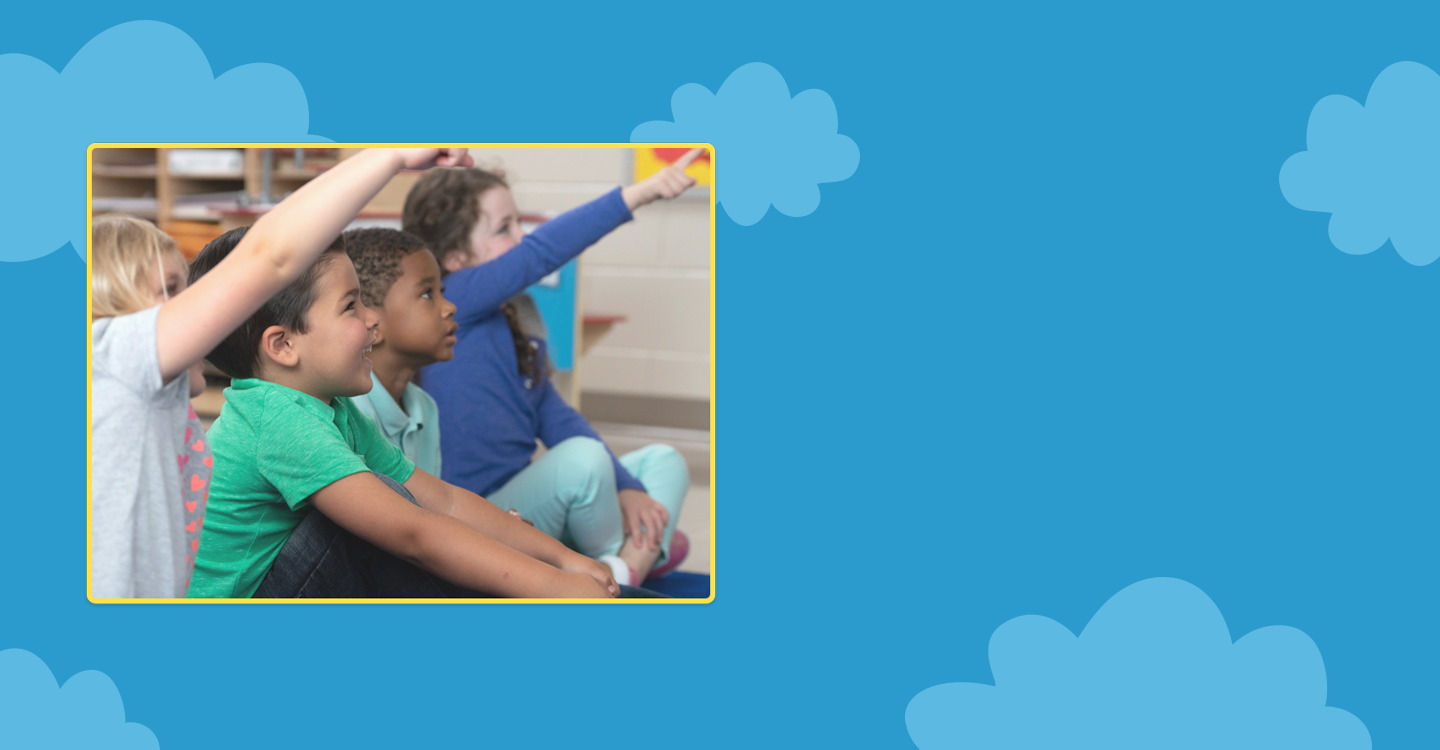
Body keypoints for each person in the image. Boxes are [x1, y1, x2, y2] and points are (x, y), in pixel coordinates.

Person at [184, 151, 636, 600]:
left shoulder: (330, 409)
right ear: (283, 345)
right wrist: (555, 586)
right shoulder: (276, 420)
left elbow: (445, 500)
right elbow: (414, 534)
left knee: (412, 509)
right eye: (351, 306)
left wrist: (562, 559)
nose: (371, 320)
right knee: (388, 518)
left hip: (292, 582)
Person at [402, 148, 703, 585]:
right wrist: (637, 195)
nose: (520, 237)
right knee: (582, 462)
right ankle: (631, 555)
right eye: (504, 227)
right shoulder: (455, 299)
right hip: (484, 522)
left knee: (663, 461)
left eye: (519, 223)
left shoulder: (513, 321)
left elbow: (558, 419)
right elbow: (540, 254)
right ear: (453, 258)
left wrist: (629, 488)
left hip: (529, 511)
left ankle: (622, 571)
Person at [91, 217, 214, 598]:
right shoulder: (113, 355)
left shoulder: (169, 412)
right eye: (169, 291)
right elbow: (273, 259)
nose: (194, 314)